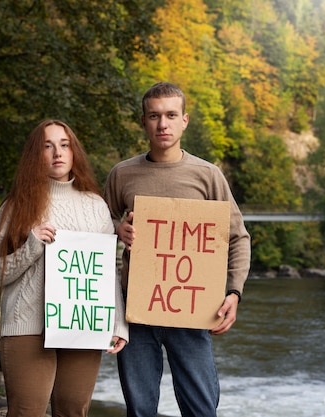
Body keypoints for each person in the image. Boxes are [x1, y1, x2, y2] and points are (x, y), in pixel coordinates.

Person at [104, 82, 251, 417]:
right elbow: (98, 223)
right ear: (144, 121)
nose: (163, 124)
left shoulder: (207, 175)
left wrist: (233, 292)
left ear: (185, 120)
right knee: (140, 409)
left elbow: (238, 237)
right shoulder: (122, 174)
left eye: (171, 115)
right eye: (154, 116)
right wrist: (117, 228)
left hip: (192, 308)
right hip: (135, 309)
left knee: (200, 408)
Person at [0, 119, 128, 417]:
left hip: (82, 324)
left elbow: (105, 271)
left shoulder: (95, 206)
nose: (57, 153)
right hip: (27, 327)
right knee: (26, 412)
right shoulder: (16, 206)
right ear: (35, 156)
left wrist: (117, 324)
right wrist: (31, 247)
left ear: (74, 152)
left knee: (73, 411)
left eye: (64, 145)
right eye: (47, 147)